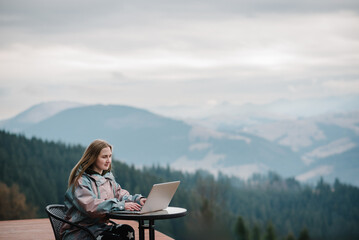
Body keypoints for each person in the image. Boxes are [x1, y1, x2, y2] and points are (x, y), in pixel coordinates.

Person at [61, 139, 146, 240]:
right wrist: (121, 205)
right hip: (80, 232)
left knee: (127, 230)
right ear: (93, 158)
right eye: (104, 157)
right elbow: (91, 206)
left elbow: (120, 195)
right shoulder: (80, 181)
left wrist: (138, 200)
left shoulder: (107, 179)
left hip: (99, 229)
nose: (108, 160)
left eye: (110, 156)